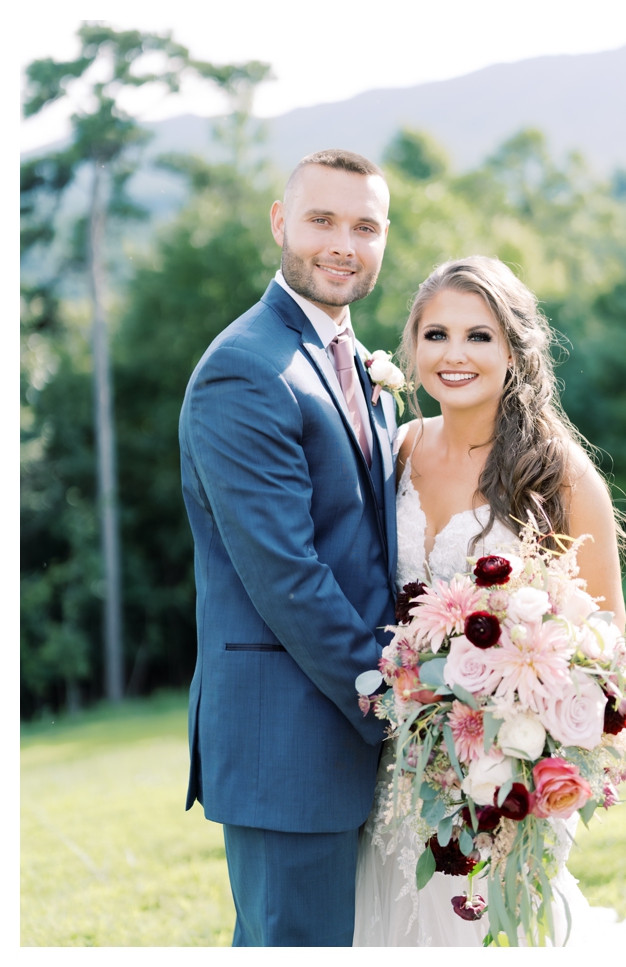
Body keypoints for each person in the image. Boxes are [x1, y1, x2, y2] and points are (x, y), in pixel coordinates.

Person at [352, 256, 626, 946]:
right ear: (412, 347)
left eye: (478, 336)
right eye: (436, 335)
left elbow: (604, 642)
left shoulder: (557, 471)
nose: (454, 354)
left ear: (514, 348)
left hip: (504, 767)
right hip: (395, 757)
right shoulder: (395, 451)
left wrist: (520, 733)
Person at [179, 149, 398, 945]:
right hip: (291, 738)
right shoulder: (245, 370)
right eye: (323, 220)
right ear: (281, 222)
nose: (345, 242)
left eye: (365, 226)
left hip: (351, 726)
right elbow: (289, 576)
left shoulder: (354, 363)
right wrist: (398, 700)